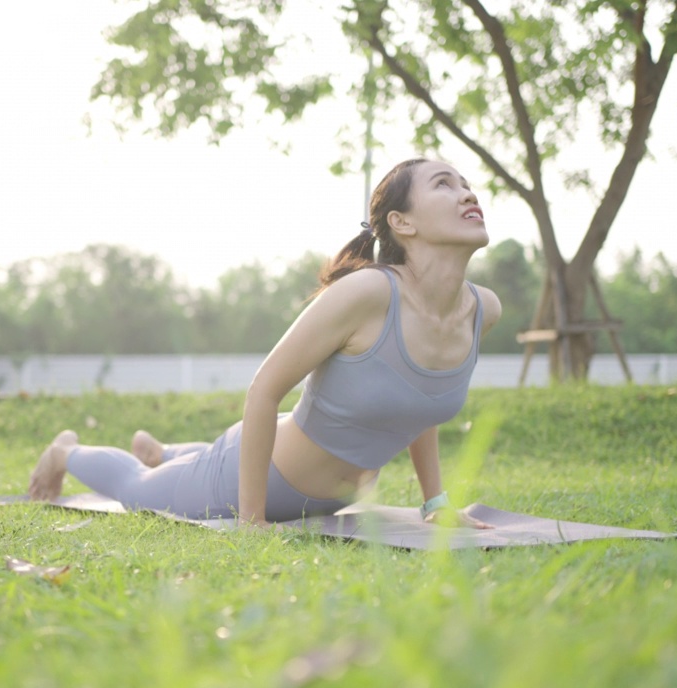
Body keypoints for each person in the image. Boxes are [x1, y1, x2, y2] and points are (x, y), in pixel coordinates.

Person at [28, 158, 502, 529]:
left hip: (338, 499)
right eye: (444, 184)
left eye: (465, 184)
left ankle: (167, 451)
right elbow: (264, 389)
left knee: (176, 466)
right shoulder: (368, 293)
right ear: (402, 222)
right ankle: (66, 451)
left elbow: (416, 402)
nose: (466, 192)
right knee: (137, 488)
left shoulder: (482, 310)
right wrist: (251, 518)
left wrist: (435, 503)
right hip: (262, 477)